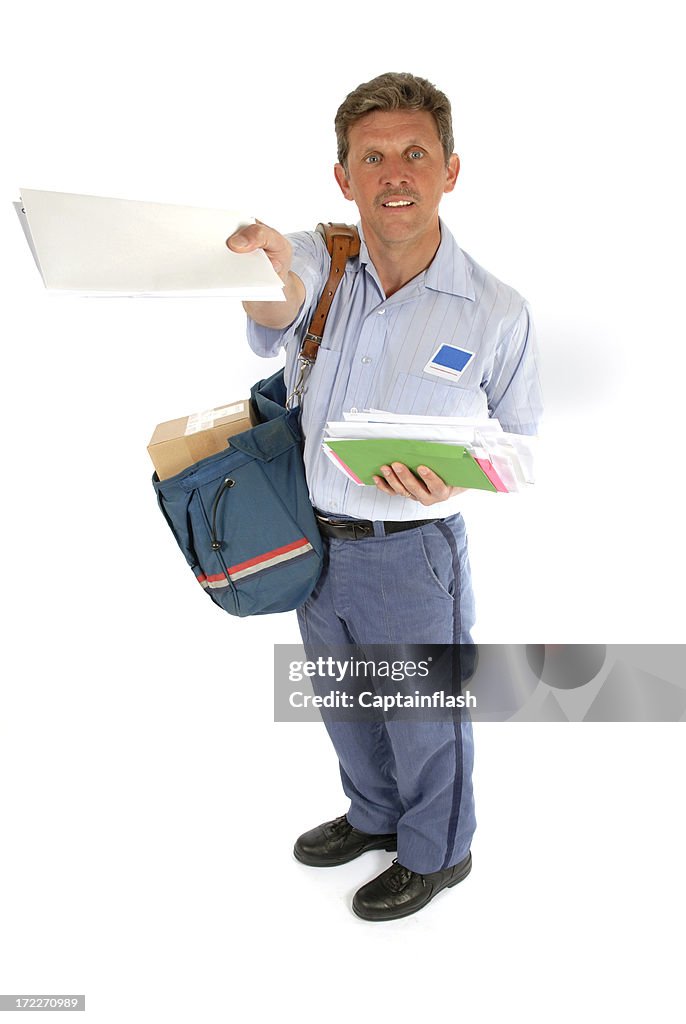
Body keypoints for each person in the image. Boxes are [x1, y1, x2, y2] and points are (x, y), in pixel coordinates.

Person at [227, 72, 543, 921]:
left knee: (420, 714)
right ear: (345, 177)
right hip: (311, 540)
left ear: (450, 169)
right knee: (341, 698)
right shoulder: (320, 261)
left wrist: (459, 474)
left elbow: (520, 443)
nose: (394, 172)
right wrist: (259, 263)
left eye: (414, 153)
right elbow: (275, 289)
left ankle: (440, 852)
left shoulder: (495, 310)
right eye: (373, 157)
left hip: (411, 552)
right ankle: (375, 816)